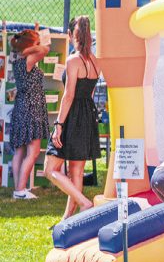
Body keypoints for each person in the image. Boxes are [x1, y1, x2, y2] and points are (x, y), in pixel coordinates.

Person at [44, 16, 100, 220]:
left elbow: (68, 95)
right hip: (87, 114)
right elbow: (90, 94)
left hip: (72, 115)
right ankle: (68, 220)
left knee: (50, 169)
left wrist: (59, 124)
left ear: (70, 35)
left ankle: (84, 203)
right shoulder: (96, 62)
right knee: (76, 171)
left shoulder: (73, 60)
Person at [8, 28, 49, 200]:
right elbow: (45, 50)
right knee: (33, 150)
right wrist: (33, 47)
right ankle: (20, 190)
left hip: (22, 107)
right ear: (31, 45)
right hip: (31, 109)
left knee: (20, 151)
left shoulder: (18, 61)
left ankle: (19, 190)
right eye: (36, 42)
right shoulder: (29, 59)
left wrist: (27, 48)